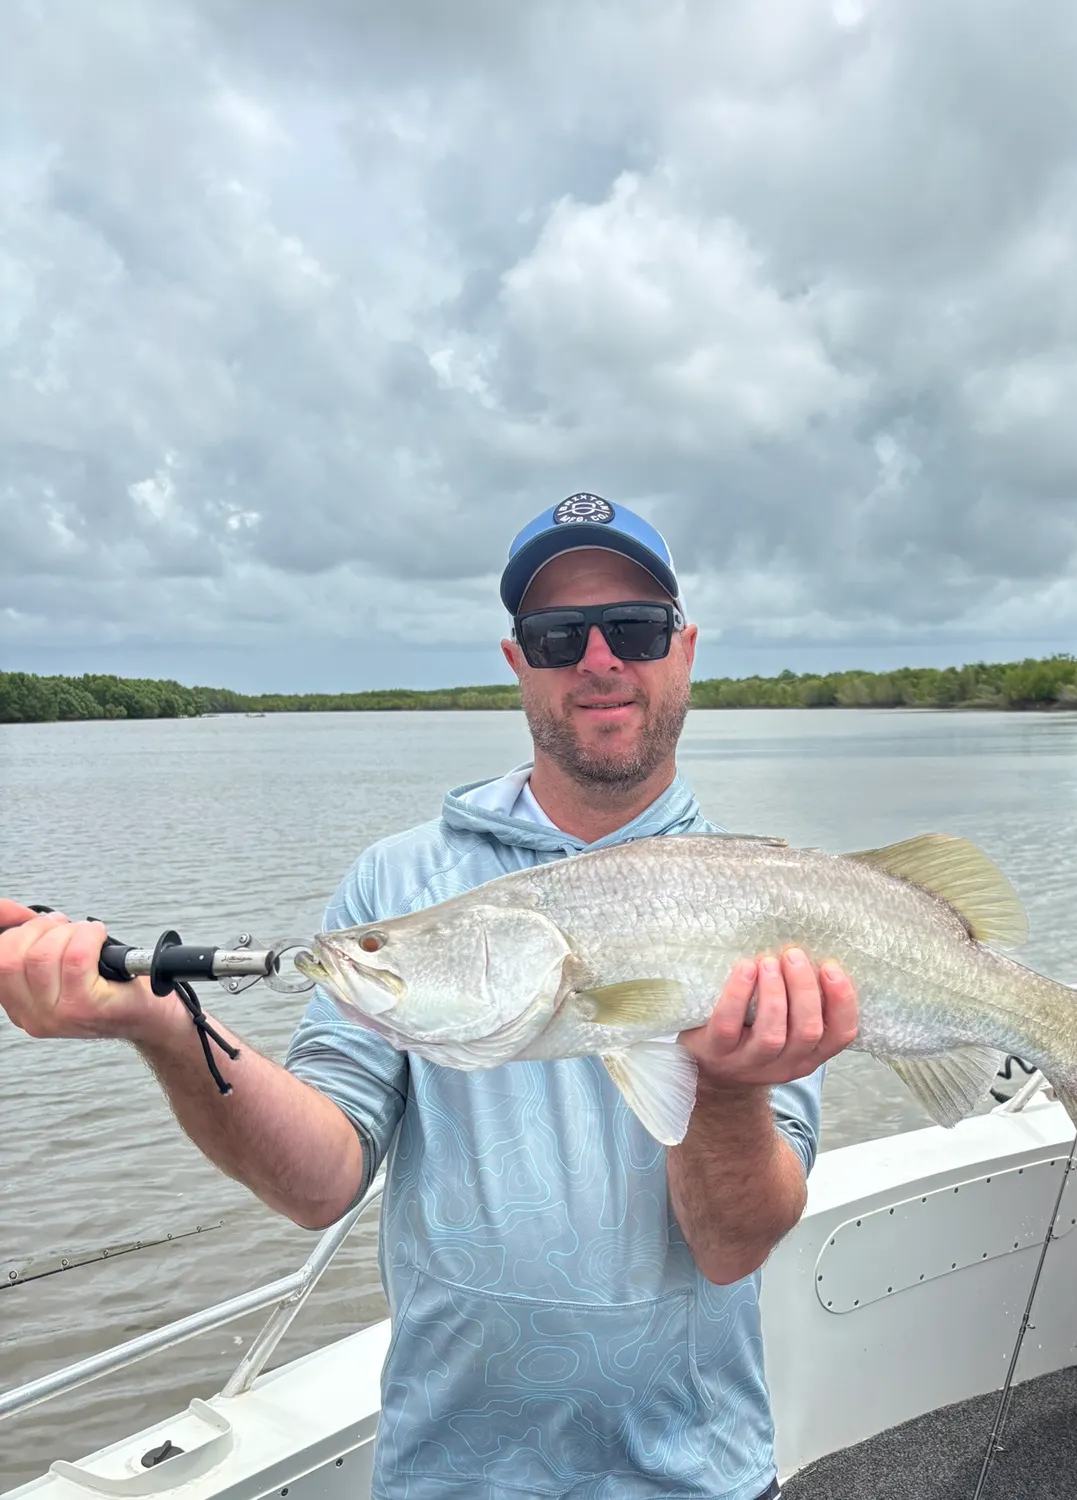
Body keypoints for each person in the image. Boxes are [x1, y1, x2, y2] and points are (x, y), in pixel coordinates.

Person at [0, 493, 860, 1500]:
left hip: (695, 1475)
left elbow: (729, 1249)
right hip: (449, 1475)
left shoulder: (770, 900)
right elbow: (319, 1182)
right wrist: (160, 1023)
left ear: (685, 649)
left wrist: (727, 1086)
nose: (597, 659)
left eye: (634, 628)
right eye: (555, 635)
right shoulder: (396, 884)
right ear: (515, 662)